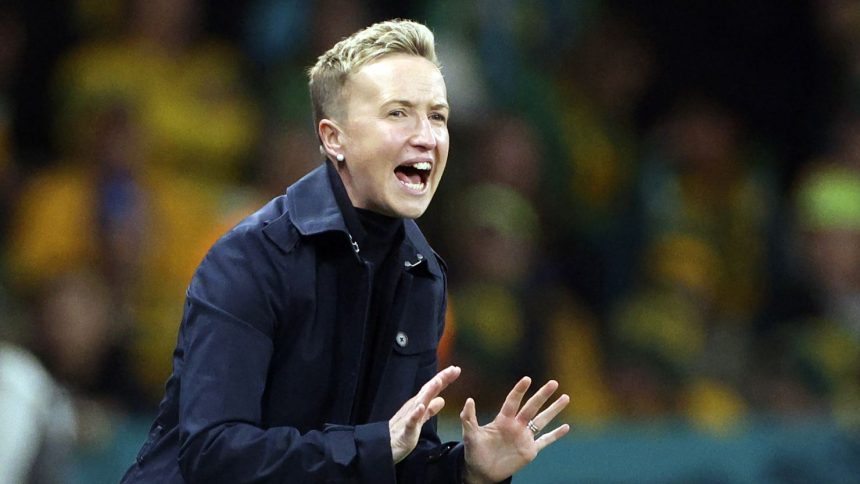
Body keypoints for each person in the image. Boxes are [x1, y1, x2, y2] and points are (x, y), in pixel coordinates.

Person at [121, 19, 569, 483]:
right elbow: (214, 454)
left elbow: (396, 459)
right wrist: (375, 446)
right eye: (398, 113)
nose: (427, 137)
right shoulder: (249, 259)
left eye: (437, 115)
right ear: (335, 138)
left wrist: (465, 471)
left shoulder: (421, 272)